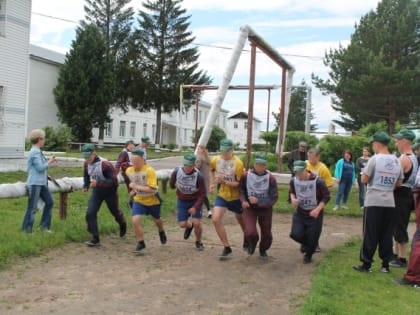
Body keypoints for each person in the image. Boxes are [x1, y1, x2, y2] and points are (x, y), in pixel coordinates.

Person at [352, 131, 403, 273]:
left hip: (374, 200)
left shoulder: (374, 159)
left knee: (370, 233)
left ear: (377, 144)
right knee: (386, 233)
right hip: (389, 202)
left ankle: (366, 264)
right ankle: (385, 264)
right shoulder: (396, 160)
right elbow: (399, 182)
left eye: (373, 144)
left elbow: (364, 179)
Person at [82, 144, 127, 247]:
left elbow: (114, 181)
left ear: (94, 153)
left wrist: (98, 183)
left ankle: (122, 223)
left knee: (114, 211)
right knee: (90, 212)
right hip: (97, 192)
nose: (87, 159)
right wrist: (85, 186)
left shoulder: (105, 164)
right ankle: (95, 238)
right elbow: (86, 175)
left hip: (110, 192)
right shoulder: (86, 163)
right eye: (85, 157)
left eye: (88, 157)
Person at [210, 138, 246, 258]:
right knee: (215, 219)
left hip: (236, 197)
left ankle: (247, 236)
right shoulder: (216, 159)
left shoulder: (238, 163)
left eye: (226, 151)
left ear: (232, 150)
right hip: (223, 195)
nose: (224, 154)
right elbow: (212, 170)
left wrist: (224, 181)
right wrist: (211, 184)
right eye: (222, 151)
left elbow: (239, 184)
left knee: (240, 218)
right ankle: (226, 247)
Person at [126, 148, 167, 253]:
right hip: (139, 200)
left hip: (152, 200)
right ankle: (141, 242)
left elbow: (152, 189)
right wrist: (133, 191)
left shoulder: (149, 171)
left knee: (157, 220)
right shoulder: (129, 171)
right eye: (132, 161)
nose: (134, 163)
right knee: (135, 220)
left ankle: (161, 231)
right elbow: (134, 182)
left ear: (143, 160)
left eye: (136, 161)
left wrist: (136, 187)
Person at [289, 160, 331, 264]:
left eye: (300, 172)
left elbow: (327, 197)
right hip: (300, 212)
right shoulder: (293, 180)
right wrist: (293, 199)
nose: (297, 175)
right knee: (295, 234)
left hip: (314, 213)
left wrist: (317, 209)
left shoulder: (318, 181)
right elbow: (292, 192)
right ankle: (307, 244)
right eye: (296, 172)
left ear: (306, 170)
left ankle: (308, 256)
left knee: (313, 238)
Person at [239, 154, 278, 259]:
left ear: (265, 166)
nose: (259, 167)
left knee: (267, 234)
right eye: (257, 164)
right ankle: (252, 243)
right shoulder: (246, 175)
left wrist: (259, 202)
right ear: (254, 164)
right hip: (250, 208)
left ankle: (263, 249)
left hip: (265, 209)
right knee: (250, 231)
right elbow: (241, 190)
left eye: (262, 165)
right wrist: (243, 201)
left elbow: (274, 197)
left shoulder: (271, 178)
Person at [390, 129, 418, 268]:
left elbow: (396, 180)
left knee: (400, 225)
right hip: (407, 194)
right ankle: (395, 255)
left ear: (405, 141)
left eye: (398, 140)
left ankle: (402, 258)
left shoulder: (404, 158)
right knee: (397, 224)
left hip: (401, 194)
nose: (396, 142)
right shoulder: (413, 157)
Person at [21, 129, 57, 233]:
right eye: (43, 139)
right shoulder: (34, 152)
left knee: (49, 202)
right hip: (35, 184)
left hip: (41, 183)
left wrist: (47, 176)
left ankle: (44, 227)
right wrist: (50, 161)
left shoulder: (37, 151)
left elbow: (39, 169)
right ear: (39, 139)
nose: (44, 141)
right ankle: (26, 230)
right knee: (32, 208)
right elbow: (40, 168)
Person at [170, 153, 206, 251]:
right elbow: (172, 182)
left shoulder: (198, 176)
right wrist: (173, 186)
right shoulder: (177, 171)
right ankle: (190, 227)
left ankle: (198, 241)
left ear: (194, 165)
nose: (187, 168)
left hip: (195, 201)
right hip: (182, 200)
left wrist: (195, 207)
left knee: (197, 223)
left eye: (189, 166)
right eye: (185, 165)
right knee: (182, 224)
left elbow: (203, 194)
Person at [305, 147, 334, 252]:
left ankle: (315, 243)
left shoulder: (323, 168)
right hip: (305, 198)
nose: (311, 160)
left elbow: (330, 185)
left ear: (318, 157)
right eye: (309, 158)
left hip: (317, 201)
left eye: (313, 158)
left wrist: (322, 193)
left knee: (316, 224)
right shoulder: (305, 165)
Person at [195, 144, 212, 218]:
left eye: (199, 149)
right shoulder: (208, 158)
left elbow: (197, 167)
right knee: (203, 195)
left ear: (202, 150)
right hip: (206, 178)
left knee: (200, 195)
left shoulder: (199, 158)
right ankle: (209, 211)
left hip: (200, 178)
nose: (198, 150)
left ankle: (200, 210)